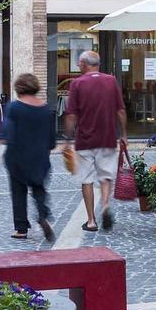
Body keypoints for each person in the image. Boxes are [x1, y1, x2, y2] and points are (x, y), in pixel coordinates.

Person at [63, 51, 127, 233]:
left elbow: (71, 115)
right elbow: (120, 111)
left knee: (87, 179)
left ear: (84, 64)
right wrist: (123, 134)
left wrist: (67, 139)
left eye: (79, 63)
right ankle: (105, 205)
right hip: (107, 138)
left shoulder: (77, 83)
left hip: (85, 140)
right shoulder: (111, 81)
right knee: (106, 176)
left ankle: (91, 220)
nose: (78, 65)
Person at [3, 73, 56, 242]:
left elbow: (8, 133)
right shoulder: (46, 109)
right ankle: (42, 215)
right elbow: (51, 140)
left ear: (18, 88)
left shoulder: (14, 107)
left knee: (18, 192)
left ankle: (21, 228)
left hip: (17, 156)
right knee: (39, 189)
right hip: (39, 156)